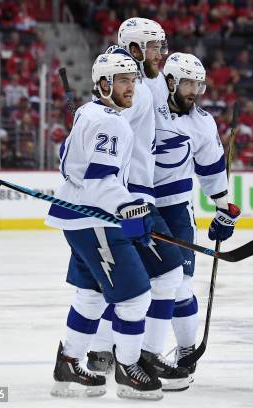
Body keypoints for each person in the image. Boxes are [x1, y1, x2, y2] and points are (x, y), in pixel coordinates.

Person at [45, 52, 163, 400]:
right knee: (136, 297)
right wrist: (131, 208)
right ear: (103, 84)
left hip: (83, 218)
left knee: (91, 295)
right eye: (123, 80)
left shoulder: (90, 113)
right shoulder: (110, 122)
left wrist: (125, 207)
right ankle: (128, 371)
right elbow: (99, 182)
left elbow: (71, 166)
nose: (131, 87)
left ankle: (67, 365)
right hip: (94, 220)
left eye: (133, 80)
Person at [86, 18, 191, 392]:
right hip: (129, 199)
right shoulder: (136, 88)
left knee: (101, 283)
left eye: (162, 46)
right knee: (165, 276)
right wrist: (126, 204)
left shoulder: (133, 79)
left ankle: (98, 353)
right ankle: (142, 357)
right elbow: (109, 139)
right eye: (153, 47)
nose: (161, 54)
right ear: (133, 48)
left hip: (120, 198)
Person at [149, 52, 240, 377]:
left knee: (179, 286)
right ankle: (109, 349)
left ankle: (187, 350)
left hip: (175, 208)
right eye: (188, 83)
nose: (194, 90)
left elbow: (212, 171)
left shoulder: (202, 123)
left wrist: (223, 209)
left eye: (198, 84)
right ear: (170, 81)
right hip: (132, 203)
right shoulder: (146, 105)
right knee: (126, 285)